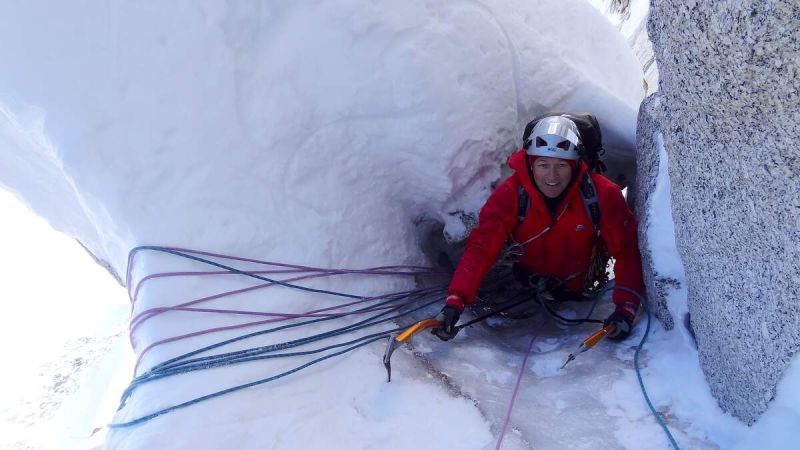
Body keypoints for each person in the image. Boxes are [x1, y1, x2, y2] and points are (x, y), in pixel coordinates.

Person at [431, 115, 643, 341]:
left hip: (579, 289)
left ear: (575, 165)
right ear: (531, 164)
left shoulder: (602, 195)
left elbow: (627, 250)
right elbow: (481, 247)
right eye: (543, 165)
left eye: (561, 165)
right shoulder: (512, 194)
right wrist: (455, 300)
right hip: (525, 281)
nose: (552, 176)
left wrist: (625, 308)